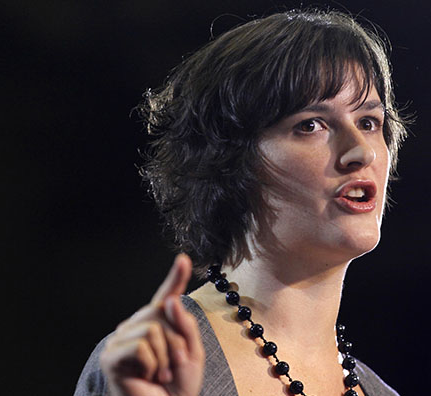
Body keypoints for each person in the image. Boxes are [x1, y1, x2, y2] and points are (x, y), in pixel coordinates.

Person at [75, 8, 407, 396]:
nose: (360, 152)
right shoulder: (152, 366)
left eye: (369, 122)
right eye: (310, 125)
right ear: (229, 160)